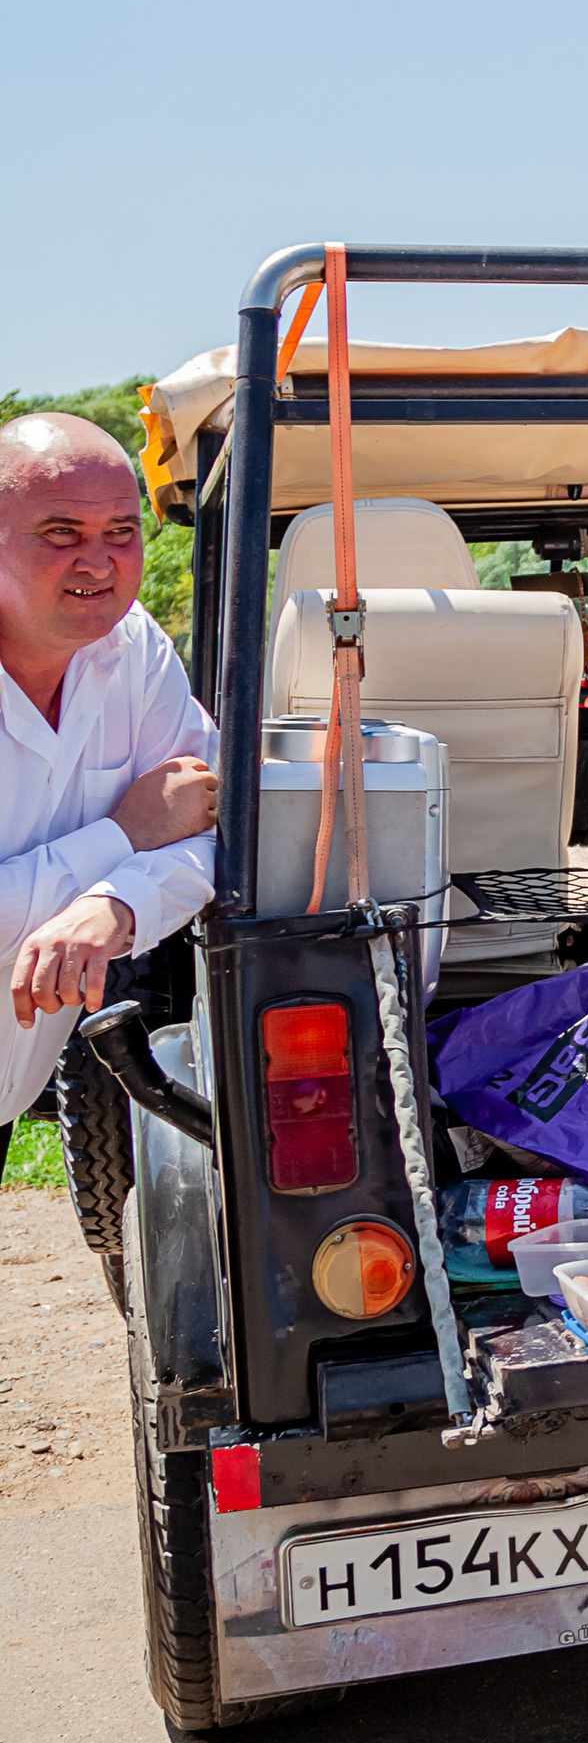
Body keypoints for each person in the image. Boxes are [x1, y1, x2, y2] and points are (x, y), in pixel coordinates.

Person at [3, 415, 219, 1178]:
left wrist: (116, 908)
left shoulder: (134, 651)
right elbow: (164, 822)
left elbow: (211, 828)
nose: (98, 560)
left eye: (121, 530)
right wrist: (122, 836)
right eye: (61, 531)